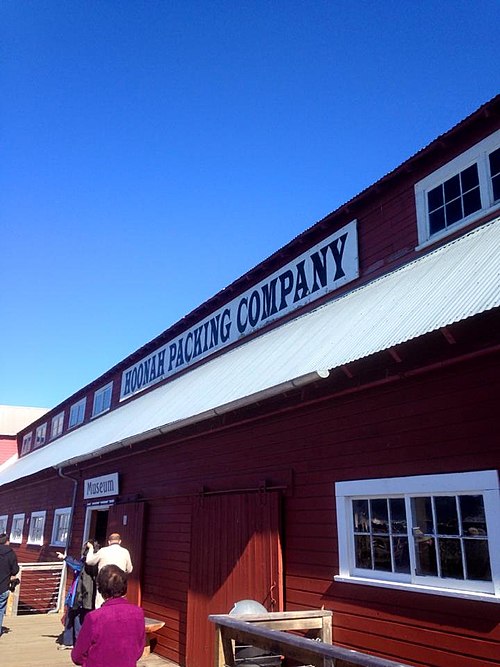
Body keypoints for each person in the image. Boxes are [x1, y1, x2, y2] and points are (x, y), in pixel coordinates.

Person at [71, 564, 145, 667]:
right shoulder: (138, 613)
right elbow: (139, 650)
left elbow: (77, 656)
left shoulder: (94, 617)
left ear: (101, 589)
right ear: (125, 587)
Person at [56, 541, 99, 649]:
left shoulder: (88, 563)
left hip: (80, 594)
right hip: (79, 593)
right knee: (72, 617)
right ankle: (69, 641)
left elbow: (77, 565)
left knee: (77, 618)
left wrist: (65, 558)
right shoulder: (93, 562)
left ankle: (76, 643)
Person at [84, 533, 133, 608]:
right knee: (118, 607)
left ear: (109, 542)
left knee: (100, 607)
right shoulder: (125, 552)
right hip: (119, 585)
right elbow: (129, 570)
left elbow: (89, 561)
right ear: (120, 541)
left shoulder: (103, 551)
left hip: (104, 584)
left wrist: (91, 548)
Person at [0, 533, 19, 637]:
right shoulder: (11, 553)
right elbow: (15, 570)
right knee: (0, 609)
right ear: (7, 541)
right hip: (3, 586)